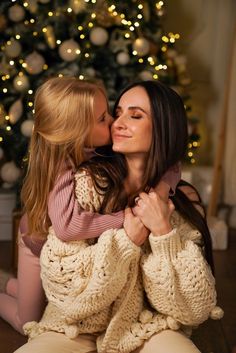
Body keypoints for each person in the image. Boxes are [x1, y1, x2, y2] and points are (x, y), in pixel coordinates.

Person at [15, 80, 223, 353]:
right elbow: (64, 288)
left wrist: (163, 233)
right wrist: (126, 239)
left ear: (164, 128)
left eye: (135, 116)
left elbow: (195, 308)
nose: (116, 123)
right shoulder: (86, 181)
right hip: (73, 323)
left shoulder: (182, 200)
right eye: (117, 112)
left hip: (150, 326)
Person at [0, 77, 179, 334]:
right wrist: (126, 217)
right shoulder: (62, 166)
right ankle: (7, 290)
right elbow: (68, 227)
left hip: (66, 258)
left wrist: (160, 191)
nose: (113, 122)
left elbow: (172, 163)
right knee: (28, 321)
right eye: (103, 118)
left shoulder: (101, 150)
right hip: (36, 246)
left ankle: (11, 284)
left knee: (44, 299)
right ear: (77, 130)